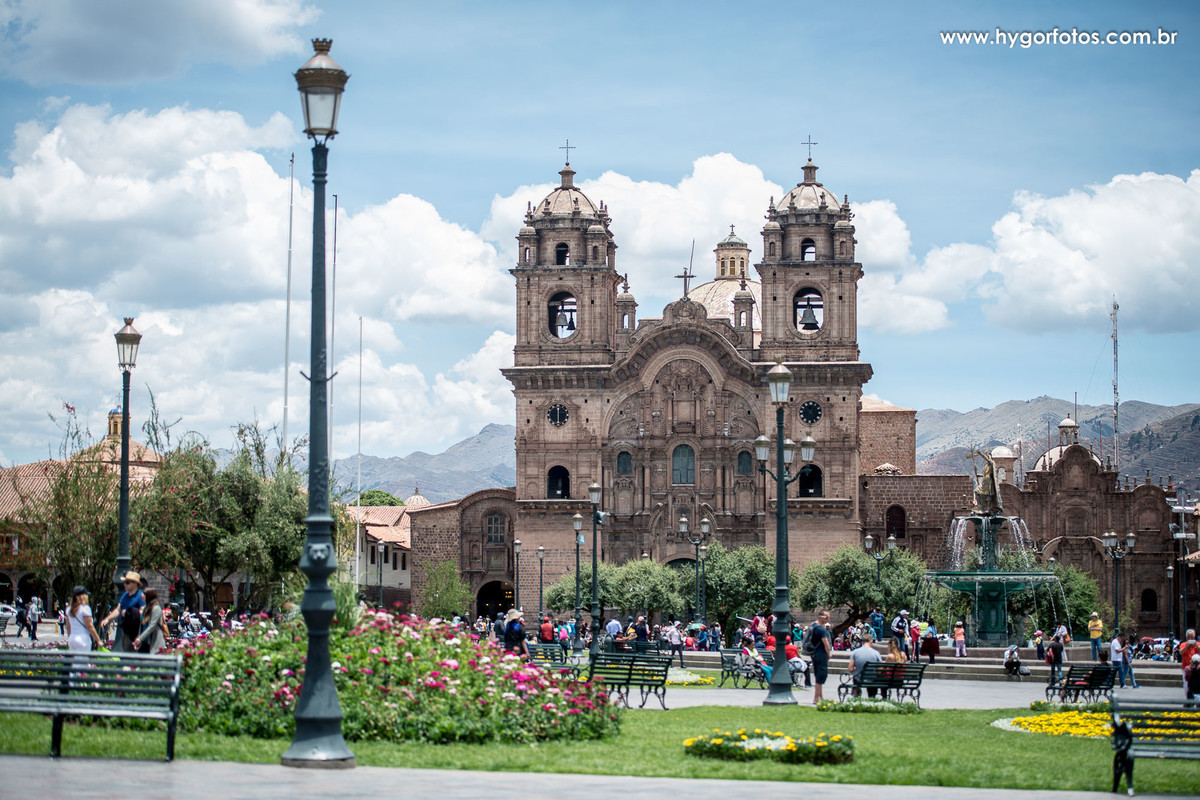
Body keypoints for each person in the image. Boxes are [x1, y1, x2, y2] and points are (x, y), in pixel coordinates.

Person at [100, 571, 146, 652]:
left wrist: (128, 613)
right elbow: (118, 609)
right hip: (126, 631)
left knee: (133, 655)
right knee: (126, 654)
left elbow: (143, 613)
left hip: (136, 633)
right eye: (125, 582)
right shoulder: (125, 595)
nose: (125, 584)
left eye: (127, 582)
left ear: (135, 584)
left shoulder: (140, 596)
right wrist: (107, 619)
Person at [66, 585, 102, 653]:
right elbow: (90, 626)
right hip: (83, 639)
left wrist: (70, 638)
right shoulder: (85, 609)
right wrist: (98, 640)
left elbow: (68, 626)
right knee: (83, 659)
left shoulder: (68, 609)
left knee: (74, 659)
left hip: (72, 638)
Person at [847, 630, 883, 697]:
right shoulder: (876, 653)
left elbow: (850, 669)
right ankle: (872, 697)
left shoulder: (855, 652)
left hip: (859, 679)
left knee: (856, 677)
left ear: (862, 642)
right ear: (871, 641)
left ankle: (856, 696)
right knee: (874, 680)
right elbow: (880, 669)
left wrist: (856, 669)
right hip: (872, 679)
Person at [133, 588, 166, 654]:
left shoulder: (156, 608)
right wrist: (139, 640)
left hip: (153, 643)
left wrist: (140, 638)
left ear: (149, 596)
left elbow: (152, 626)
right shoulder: (145, 608)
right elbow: (141, 626)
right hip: (144, 642)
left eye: (144, 594)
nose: (142, 595)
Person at [810, 610, 832, 705]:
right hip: (821, 654)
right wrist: (829, 653)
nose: (828, 619)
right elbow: (826, 643)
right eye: (826, 617)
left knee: (818, 675)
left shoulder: (813, 626)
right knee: (821, 676)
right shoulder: (821, 629)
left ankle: (821, 697)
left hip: (814, 653)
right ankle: (816, 699)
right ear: (820, 617)